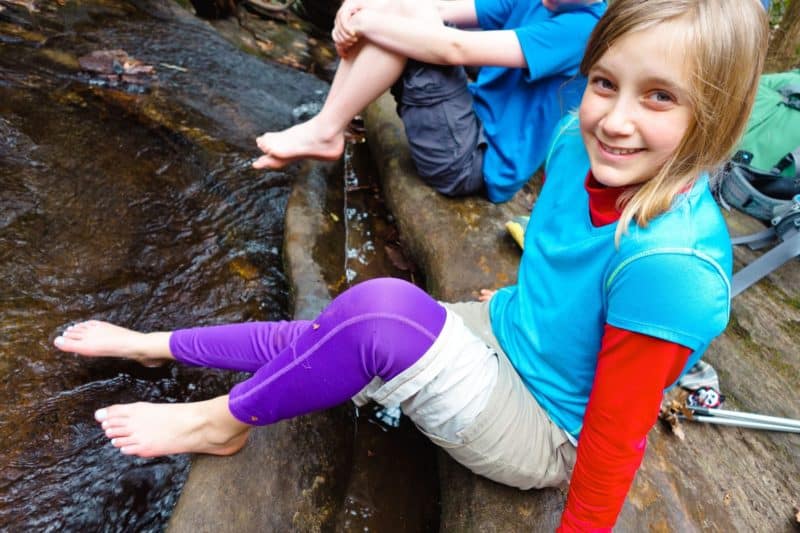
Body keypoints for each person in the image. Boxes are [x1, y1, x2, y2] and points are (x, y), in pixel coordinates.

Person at [54, 0, 768, 529]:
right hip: (510, 332)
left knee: (379, 312)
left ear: (716, 116)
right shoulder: (575, 141)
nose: (615, 118)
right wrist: (523, 308)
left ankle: (221, 418)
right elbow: (563, 261)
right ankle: (155, 345)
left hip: (548, 427)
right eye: (604, 83)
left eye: (660, 97)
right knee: (334, 329)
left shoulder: (672, 266)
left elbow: (612, 442)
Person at [252, 0, 607, 203]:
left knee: (400, 32)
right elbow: (431, 8)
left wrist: (369, 23)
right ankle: (326, 127)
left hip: (472, 164)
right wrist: (358, 10)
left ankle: (326, 128)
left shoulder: (582, 30)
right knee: (396, 10)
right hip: (466, 125)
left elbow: (453, 48)